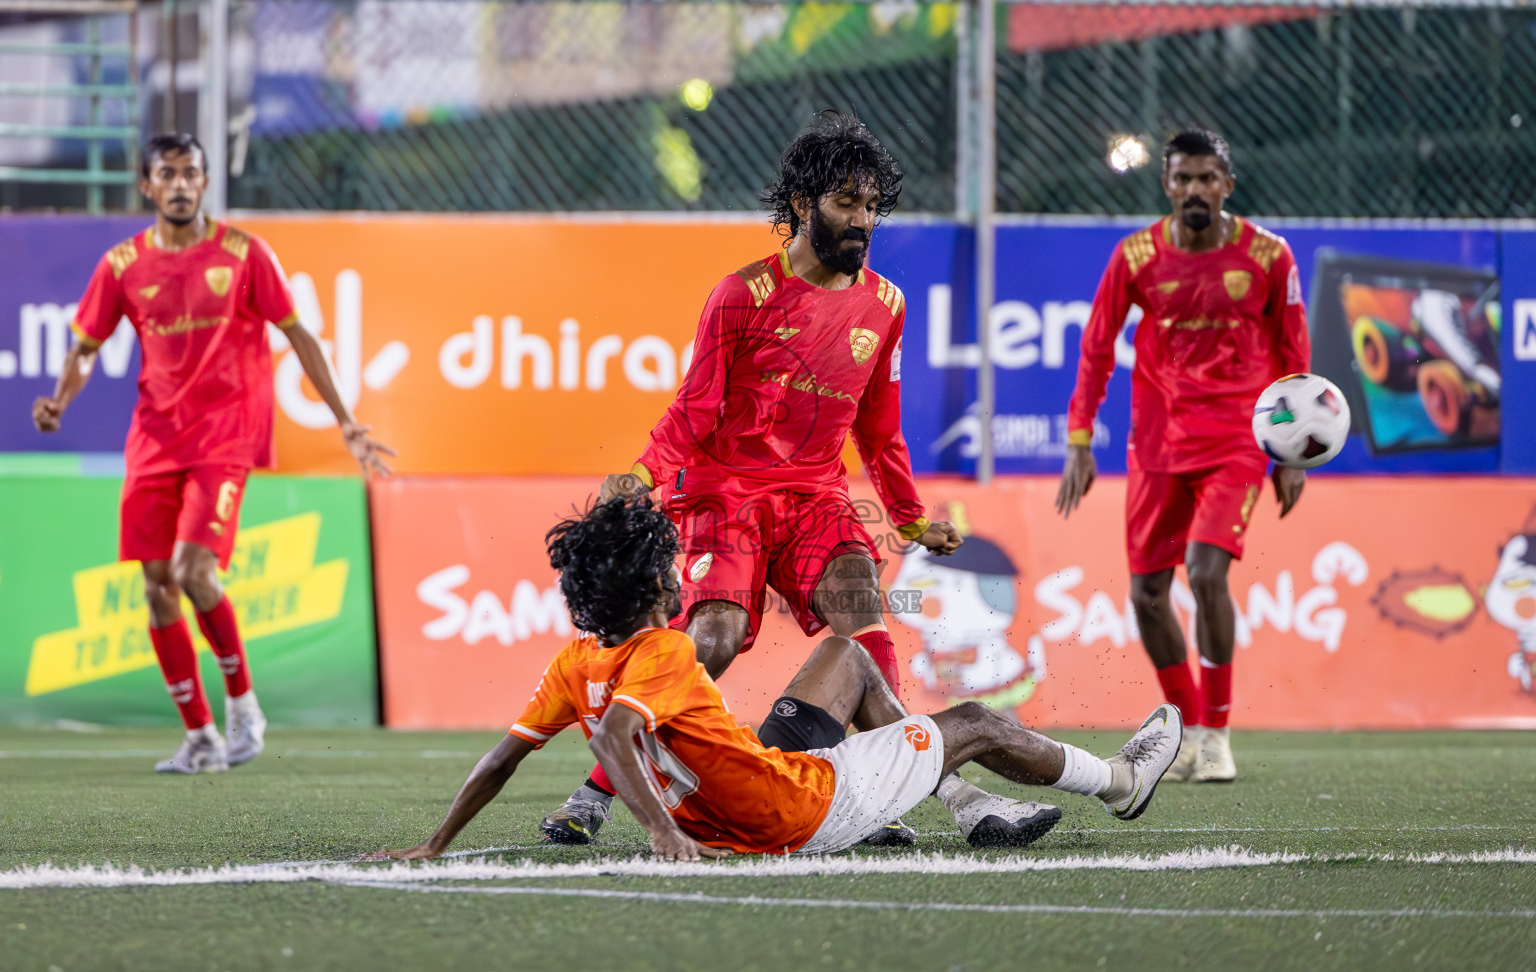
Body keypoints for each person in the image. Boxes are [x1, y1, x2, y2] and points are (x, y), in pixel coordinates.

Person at [541, 111, 963, 846]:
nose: (862, 220)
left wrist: (911, 518)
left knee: (862, 609)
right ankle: (598, 789)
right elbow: (695, 407)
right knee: (714, 635)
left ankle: (872, 796)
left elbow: (879, 429)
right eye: (845, 203)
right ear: (802, 206)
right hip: (724, 491)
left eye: (870, 205)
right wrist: (643, 472)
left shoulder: (888, 306)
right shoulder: (742, 295)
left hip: (813, 497)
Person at [381, 498, 1182, 862]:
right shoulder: (662, 652)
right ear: (657, 589)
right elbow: (624, 736)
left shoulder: (573, 662)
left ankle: (952, 798)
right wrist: (661, 831)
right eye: (671, 572)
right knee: (972, 719)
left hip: (749, 794)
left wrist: (435, 843)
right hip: (799, 810)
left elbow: (500, 760)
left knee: (851, 655)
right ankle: (1118, 781)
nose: (681, 580)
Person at [32, 132, 394, 775]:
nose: (179, 184)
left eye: (190, 173)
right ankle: (199, 735)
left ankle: (242, 706)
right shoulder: (122, 265)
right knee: (156, 588)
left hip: (224, 436)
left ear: (204, 182)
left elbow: (298, 332)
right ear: (147, 185)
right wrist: (60, 399)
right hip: (154, 440)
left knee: (193, 571)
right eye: (166, 174)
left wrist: (346, 420)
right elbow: (86, 345)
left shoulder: (245, 254)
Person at [1056, 128, 1310, 783]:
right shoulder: (1136, 255)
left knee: (1204, 573)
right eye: (1181, 179)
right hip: (1158, 445)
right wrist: (1079, 440)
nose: (1193, 190)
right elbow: (1096, 346)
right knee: (1146, 594)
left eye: (1206, 178)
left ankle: (1218, 736)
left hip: (1236, 442)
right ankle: (1189, 730)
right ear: (1166, 184)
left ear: (1227, 182)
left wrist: (1293, 453)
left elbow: (1294, 356)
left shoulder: (1268, 256)